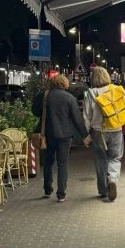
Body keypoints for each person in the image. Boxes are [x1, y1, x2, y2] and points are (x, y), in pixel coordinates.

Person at [40, 74, 90, 202]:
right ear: (65, 83)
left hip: (48, 134)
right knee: (62, 164)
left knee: (48, 162)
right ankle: (61, 194)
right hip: (65, 135)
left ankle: (47, 190)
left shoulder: (45, 96)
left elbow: (35, 111)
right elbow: (77, 119)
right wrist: (84, 135)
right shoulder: (70, 98)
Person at [83, 66, 125, 201]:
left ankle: (103, 190)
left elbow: (86, 116)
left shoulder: (90, 94)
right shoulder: (116, 89)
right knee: (115, 158)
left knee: (100, 159)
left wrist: (87, 134)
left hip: (98, 132)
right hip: (116, 129)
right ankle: (112, 179)